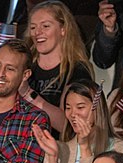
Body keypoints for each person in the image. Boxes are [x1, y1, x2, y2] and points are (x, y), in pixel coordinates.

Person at [23, 1, 94, 134]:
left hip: (56, 147)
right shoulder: (25, 64)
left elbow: (67, 126)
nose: (37, 32)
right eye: (33, 27)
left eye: (45, 26)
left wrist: (28, 94)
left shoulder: (76, 70)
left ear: (63, 29)